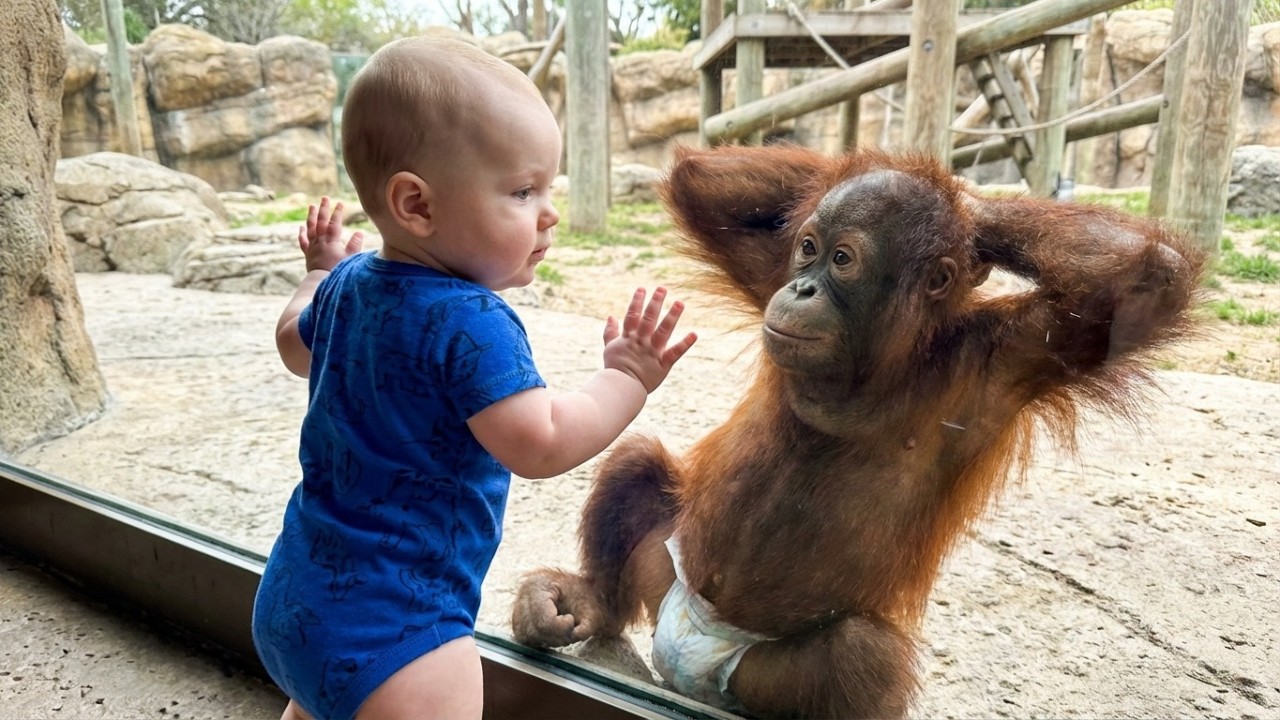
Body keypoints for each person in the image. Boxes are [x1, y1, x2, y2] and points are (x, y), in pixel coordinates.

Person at [251, 36, 697, 720]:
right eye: (522, 191)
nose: (548, 213)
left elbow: (293, 345)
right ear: (417, 206)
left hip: (294, 596)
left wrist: (315, 270)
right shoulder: (473, 321)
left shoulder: (345, 287)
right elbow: (541, 442)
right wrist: (628, 378)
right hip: (402, 638)